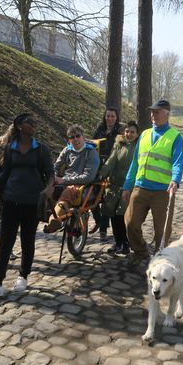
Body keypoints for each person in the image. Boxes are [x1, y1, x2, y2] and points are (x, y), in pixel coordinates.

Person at [0, 113, 55, 300]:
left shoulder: (41, 149)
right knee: (5, 242)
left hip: (32, 202)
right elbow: (4, 173)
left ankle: (23, 276)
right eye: (28, 123)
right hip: (10, 201)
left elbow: (50, 172)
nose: (33, 125)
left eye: (34, 122)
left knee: (27, 240)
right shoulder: (9, 149)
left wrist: (48, 189)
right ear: (19, 126)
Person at [121, 99, 183, 265]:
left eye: (157, 112)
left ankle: (160, 260)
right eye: (152, 112)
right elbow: (135, 163)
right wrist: (127, 185)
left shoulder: (175, 136)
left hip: (163, 191)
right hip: (140, 188)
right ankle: (141, 251)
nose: (153, 115)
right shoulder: (144, 134)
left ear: (167, 114)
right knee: (130, 222)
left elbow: (178, 162)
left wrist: (175, 180)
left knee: (162, 231)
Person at [45, 125, 100, 232]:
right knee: (46, 189)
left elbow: (88, 177)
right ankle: (44, 216)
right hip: (65, 181)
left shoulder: (91, 152)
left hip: (84, 185)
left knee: (68, 192)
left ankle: (54, 220)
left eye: (78, 136)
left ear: (83, 137)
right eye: (72, 137)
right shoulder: (67, 150)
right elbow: (55, 166)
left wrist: (64, 180)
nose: (75, 139)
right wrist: (53, 177)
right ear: (69, 140)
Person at [97, 120, 140, 255]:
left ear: (137, 134)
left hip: (129, 187)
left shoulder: (139, 146)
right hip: (114, 185)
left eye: (132, 132)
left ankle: (126, 243)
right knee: (113, 215)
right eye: (127, 131)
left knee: (121, 215)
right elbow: (110, 161)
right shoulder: (118, 144)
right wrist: (100, 175)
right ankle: (118, 242)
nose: (129, 134)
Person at [91, 108, 122, 241]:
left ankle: (103, 229)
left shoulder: (119, 132)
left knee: (106, 198)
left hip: (112, 166)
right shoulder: (99, 130)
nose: (109, 118)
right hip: (97, 165)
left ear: (116, 118)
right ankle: (98, 220)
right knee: (92, 194)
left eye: (112, 116)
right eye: (107, 116)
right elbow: (92, 145)